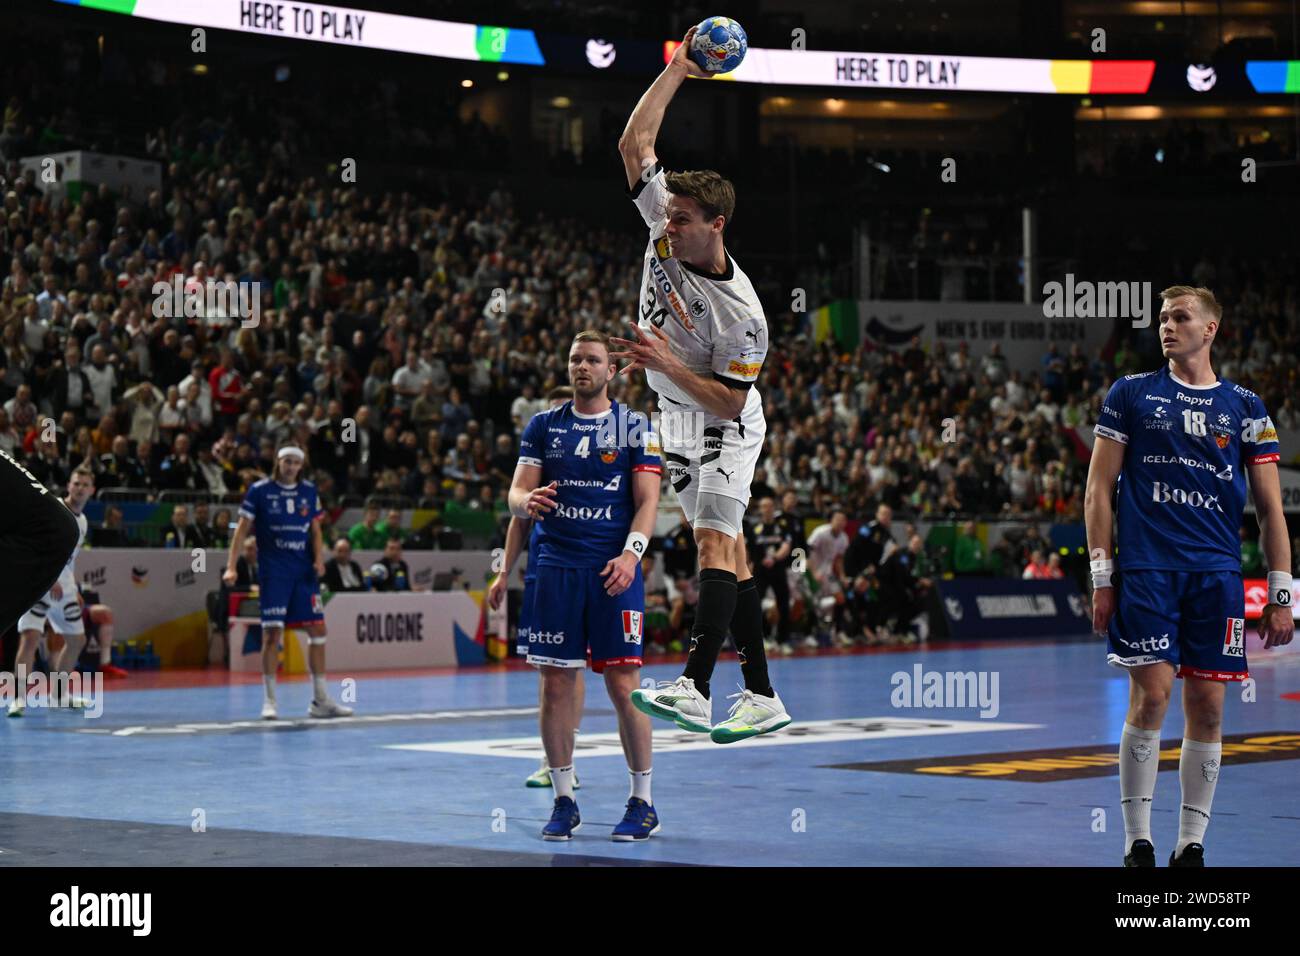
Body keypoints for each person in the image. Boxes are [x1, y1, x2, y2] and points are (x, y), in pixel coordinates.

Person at [614, 29, 791, 744]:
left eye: (682, 220)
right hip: (677, 416)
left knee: (715, 548)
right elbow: (635, 143)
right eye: (668, 213)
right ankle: (762, 696)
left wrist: (665, 365)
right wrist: (679, 68)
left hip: (721, 423)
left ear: (715, 227)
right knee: (732, 557)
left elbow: (734, 401)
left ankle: (694, 687)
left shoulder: (742, 315)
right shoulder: (664, 221)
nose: (667, 223)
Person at [1086, 285, 1293, 869]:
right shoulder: (1131, 394)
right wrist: (1103, 574)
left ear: (1211, 330)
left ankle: (1191, 845)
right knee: (1151, 696)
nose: (1167, 326)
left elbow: (1271, 511)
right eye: (1162, 318)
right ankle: (1136, 841)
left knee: (1208, 709)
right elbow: (1097, 488)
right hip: (1148, 571)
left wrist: (1282, 595)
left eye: (1180, 317)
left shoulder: (1246, 408)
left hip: (1217, 577)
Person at [507, 331, 661, 841]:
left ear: (610, 371)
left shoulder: (637, 427)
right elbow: (516, 492)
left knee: (623, 687)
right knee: (555, 685)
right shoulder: (542, 426)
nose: (582, 367)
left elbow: (646, 504)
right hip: (555, 569)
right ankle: (564, 798)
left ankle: (642, 801)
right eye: (575, 359)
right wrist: (522, 505)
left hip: (613, 573)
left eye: (592, 360)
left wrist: (630, 555)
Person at [486, 385, 586, 790]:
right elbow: (519, 519)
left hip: (582, 569)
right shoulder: (537, 462)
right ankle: (555, 757)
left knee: (572, 668)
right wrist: (503, 572)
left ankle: (564, 757)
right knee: (551, 670)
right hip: (544, 571)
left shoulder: (593, 463)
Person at [223, 446, 352, 720]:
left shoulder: (309, 492)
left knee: (318, 630)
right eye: (286, 461)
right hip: (274, 573)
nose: (290, 466)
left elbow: (316, 530)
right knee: (271, 635)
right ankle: (270, 701)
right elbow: (242, 529)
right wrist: (231, 566)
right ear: (277, 462)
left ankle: (320, 700)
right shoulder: (259, 491)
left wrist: (319, 559)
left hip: (303, 572)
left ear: (301, 466)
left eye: (295, 462)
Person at [8, 465, 94, 715]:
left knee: (77, 640)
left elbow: (71, 558)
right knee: (30, 638)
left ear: (91, 490)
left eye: (84, 485)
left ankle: (58, 695)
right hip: (41, 580)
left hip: (63, 585)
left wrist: (73, 586)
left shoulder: (84, 522)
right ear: (68, 485)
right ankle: (19, 699)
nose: (79, 489)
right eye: (75, 483)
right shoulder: (52, 508)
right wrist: (49, 576)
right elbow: (37, 545)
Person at [746, 496, 795, 654]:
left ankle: (784, 640)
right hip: (760, 572)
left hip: (778, 569)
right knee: (756, 604)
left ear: (774, 508)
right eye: (763, 506)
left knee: (784, 604)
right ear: (760, 509)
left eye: (769, 506)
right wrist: (747, 568)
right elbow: (747, 551)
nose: (766, 509)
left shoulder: (782, 526)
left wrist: (774, 557)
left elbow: (787, 546)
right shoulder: (754, 528)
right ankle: (765, 638)